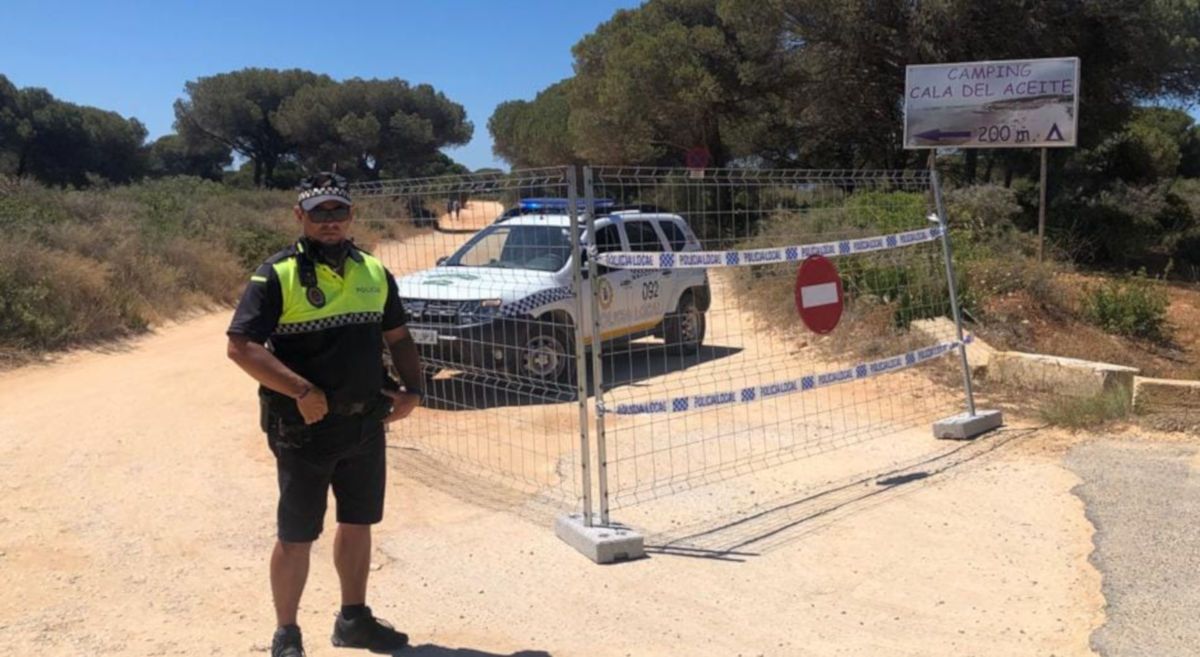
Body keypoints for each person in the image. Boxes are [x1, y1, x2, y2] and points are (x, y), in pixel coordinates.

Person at [227, 172, 423, 657]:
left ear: (351, 215)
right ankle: (286, 634)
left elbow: (397, 337)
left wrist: (414, 390)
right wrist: (299, 390)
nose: (330, 221)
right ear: (300, 217)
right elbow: (241, 346)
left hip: (365, 424)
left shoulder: (374, 272)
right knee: (296, 534)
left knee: (358, 523)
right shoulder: (275, 274)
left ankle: (353, 621)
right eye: (319, 213)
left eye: (338, 211)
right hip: (303, 429)